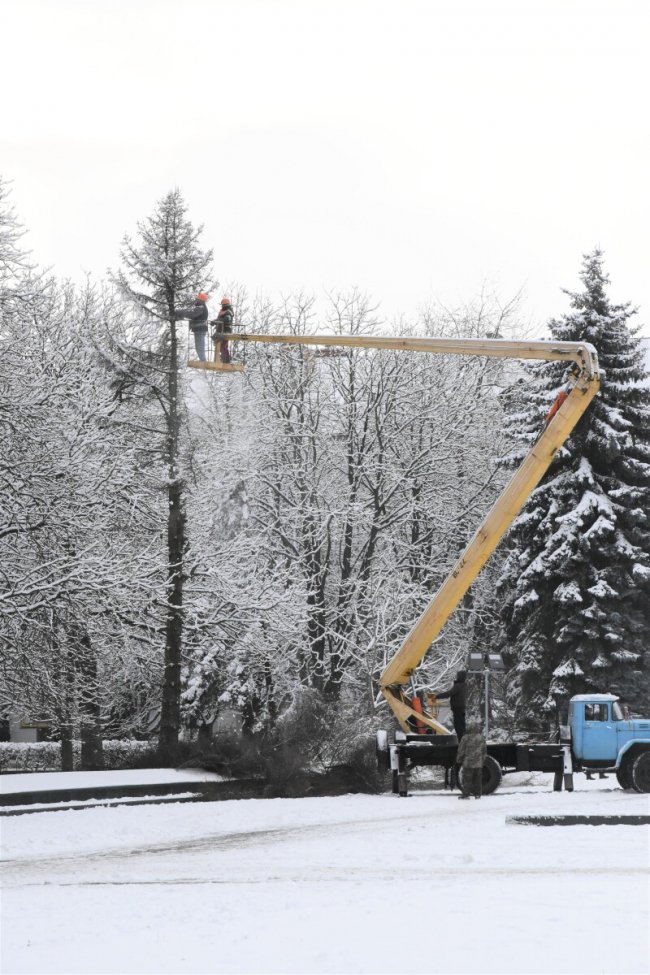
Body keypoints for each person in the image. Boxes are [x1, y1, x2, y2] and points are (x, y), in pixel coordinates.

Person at [456, 719, 487, 799]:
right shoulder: (481, 738)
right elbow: (484, 750)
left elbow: (461, 750)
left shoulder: (465, 738)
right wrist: (483, 760)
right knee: (478, 779)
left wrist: (459, 759)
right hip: (478, 762)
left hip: (468, 762)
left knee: (467, 779)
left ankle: (466, 794)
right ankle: (477, 794)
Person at [175, 292, 209, 361]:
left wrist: (180, 312)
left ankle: (203, 362)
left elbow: (192, 313)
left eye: (197, 299)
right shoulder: (201, 306)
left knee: (199, 346)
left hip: (200, 329)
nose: (195, 300)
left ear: (199, 299)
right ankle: (203, 361)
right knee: (199, 346)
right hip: (199, 329)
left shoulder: (200, 307)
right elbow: (192, 313)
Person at [435, 670, 467, 739]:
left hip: (457, 709)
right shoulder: (464, 685)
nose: (456, 677)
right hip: (461, 708)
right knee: (462, 726)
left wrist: (437, 696)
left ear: (460, 676)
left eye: (457, 675)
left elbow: (449, 693)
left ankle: (461, 742)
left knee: (458, 727)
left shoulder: (458, 686)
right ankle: (463, 741)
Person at [211, 296, 234, 364]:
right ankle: (222, 360)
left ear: (226, 305)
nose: (222, 306)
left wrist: (217, 321)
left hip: (225, 330)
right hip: (220, 330)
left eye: (223, 305)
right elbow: (220, 319)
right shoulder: (223, 311)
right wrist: (215, 321)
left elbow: (227, 320)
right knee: (220, 346)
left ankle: (226, 361)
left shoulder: (229, 311)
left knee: (224, 346)